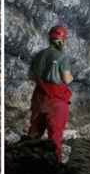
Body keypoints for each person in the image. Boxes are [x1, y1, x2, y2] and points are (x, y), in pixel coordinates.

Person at [25, 25, 74, 162]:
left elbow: (31, 76)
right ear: (63, 40)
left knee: (34, 132)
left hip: (39, 97)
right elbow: (66, 79)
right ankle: (55, 165)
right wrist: (71, 77)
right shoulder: (62, 57)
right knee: (55, 135)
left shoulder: (38, 55)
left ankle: (25, 159)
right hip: (56, 99)